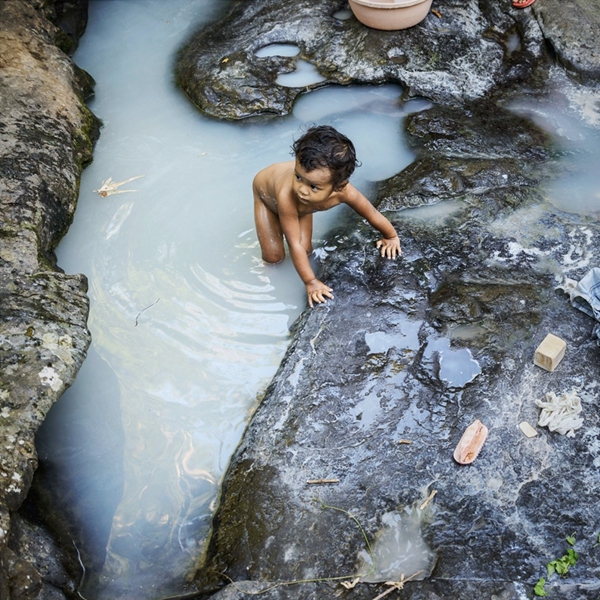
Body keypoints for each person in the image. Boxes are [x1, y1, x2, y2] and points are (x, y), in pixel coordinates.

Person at [253, 125, 402, 307]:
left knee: (307, 251)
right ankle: (268, 279)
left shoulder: (345, 192)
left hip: (304, 208)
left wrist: (391, 236)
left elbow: (371, 214)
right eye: (298, 177)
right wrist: (310, 282)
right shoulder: (289, 195)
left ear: (339, 186)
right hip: (266, 195)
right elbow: (294, 244)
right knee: (274, 256)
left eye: (313, 186)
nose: (302, 190)